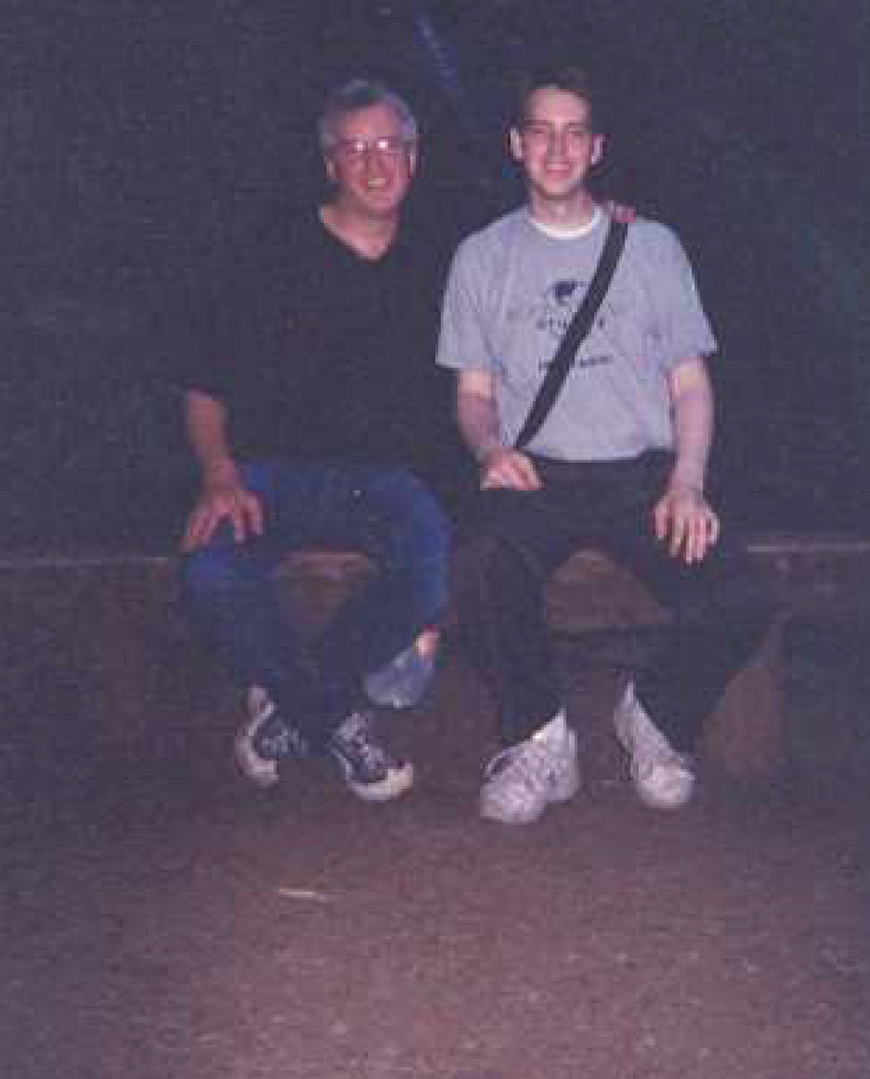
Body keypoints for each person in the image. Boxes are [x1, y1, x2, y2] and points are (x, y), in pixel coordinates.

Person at [438, 65, 765, 824]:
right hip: (536, 473)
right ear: (516, 144)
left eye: (574, 132)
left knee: (743, 590)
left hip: (640, 474)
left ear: (597, 147)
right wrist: (489, 451)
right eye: (541, 132)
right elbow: (473, 395)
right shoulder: (480, 256)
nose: (557, 148)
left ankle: (654, 719)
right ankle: (539, 737)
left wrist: (688, 481)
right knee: (479, 561)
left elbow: (689, 381)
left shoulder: (651, 247)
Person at [180, 78, 451, 801]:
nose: (373, 163)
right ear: (330, 163)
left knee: (432, 567)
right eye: (354, 148)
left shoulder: (446, 258)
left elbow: (542, 254)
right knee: (209, 567)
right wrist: (219, 475)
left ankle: (291, 704)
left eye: (388, 144)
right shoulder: (271, 254)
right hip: (275, 475)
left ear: (413, 158)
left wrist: (610, 217)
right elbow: (204, 385)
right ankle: (336, 719)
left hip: (388, 481)